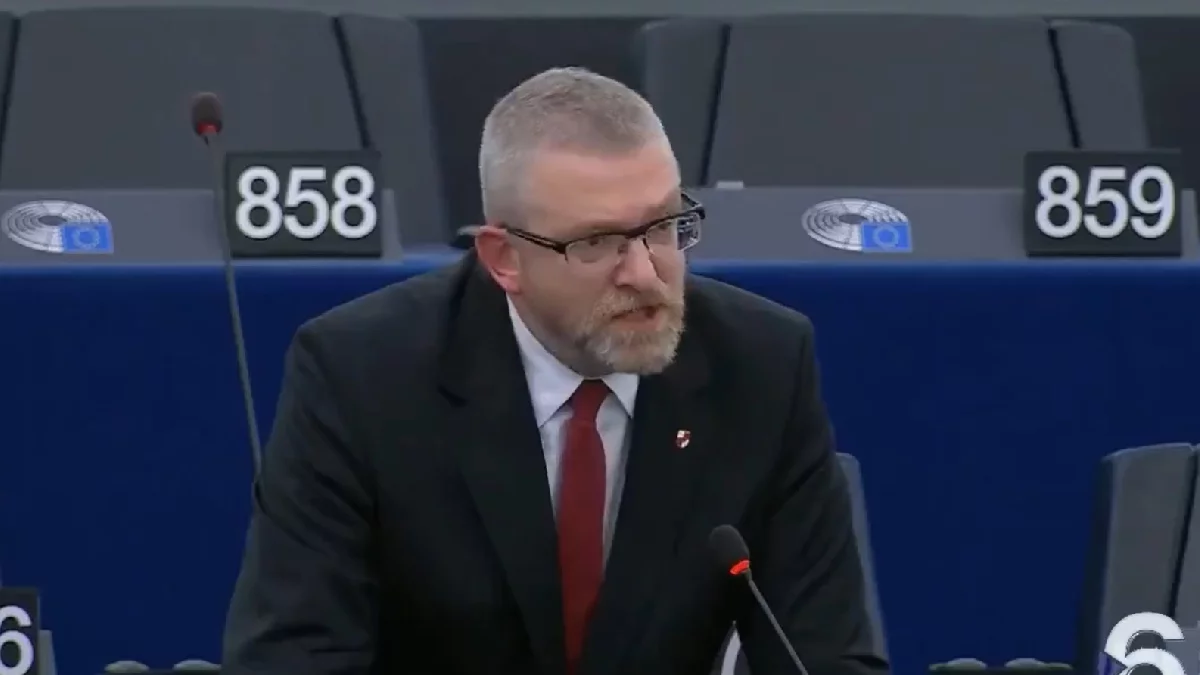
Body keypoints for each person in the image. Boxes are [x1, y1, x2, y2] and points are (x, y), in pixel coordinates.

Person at [222, 67, 890, 675]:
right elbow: (292, 656)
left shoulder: (762, 364)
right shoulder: (361, 375)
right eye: (597, 242)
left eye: (664, 227)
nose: (645, 274)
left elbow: (825, 654)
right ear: (504, 258)